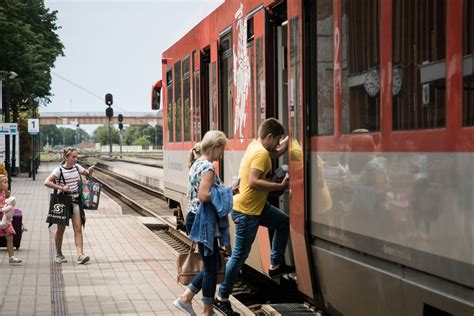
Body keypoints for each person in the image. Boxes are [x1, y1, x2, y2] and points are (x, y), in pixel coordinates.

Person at [215, 118, 293, 315]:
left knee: (283, 222)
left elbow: (274, 151)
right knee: (239, 256)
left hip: (257, 207)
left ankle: (275, 264)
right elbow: (253, 182)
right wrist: (280, 187)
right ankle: (221, 296)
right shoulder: (260, 154)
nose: (278, 143)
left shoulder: (256, 145)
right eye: (278, 139)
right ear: (269, 136)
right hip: (247, 211)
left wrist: (290, 140)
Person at [174, 130, 237, 316]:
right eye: (222, 149)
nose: (222, 153)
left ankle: (186, 298)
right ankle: (207, 310)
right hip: (203, 219)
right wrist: (229, 192)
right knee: (211, 267)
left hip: (195, 217)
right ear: (215, 147)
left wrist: (225, 190)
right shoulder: (208, 167)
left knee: (213, 263)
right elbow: (204, 195)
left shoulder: (196, 163)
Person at [44, 147, 94, 264]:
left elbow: (85, 173)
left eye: (77, 156)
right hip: (63, 202)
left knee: (78, 228)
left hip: (75, 201)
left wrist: (89, 171)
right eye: (73, 157)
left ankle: (80, 255)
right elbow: (47, 182)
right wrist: (61, 188)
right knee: (60, 230)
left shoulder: (77, 167)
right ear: (66, 157)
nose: (76, 159)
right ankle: (59, 254)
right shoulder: (58, 170)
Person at [0, 175, 22, 265]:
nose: (7, 184)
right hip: (1, 218)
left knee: (10, 237)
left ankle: (11, 257)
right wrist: (4, 206)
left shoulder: (4, 193)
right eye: (4, 182)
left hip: (5, 218)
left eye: (7, 182)